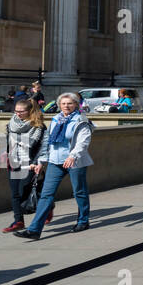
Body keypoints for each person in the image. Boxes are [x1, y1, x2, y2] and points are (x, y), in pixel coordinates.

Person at [17, 92, 93, 239]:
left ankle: (83, 221)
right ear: (59, 105)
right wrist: (40, 161)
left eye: (70, 103)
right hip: (55, 161)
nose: (66, 106)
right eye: (63, 103)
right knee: (46, 195)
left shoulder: (81, 120)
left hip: (74, 161)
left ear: (76, 105)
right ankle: (34, 230)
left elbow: (83, 141)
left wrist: (73, 156)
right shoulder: (56, 119)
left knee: (79, 191)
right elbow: (48, 143)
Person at [0, 97, 49, 234]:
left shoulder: (39, 126)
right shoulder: (12, 124)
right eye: (16, 111)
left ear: (29, 111)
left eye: (21, 111)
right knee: (15, 194)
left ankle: (48, 207)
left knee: (27, 191)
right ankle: (18, 221)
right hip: (14, 161)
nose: (17, 114)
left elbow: (44, 147)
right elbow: (9, 144)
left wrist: (38, 163)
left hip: (29, 163)